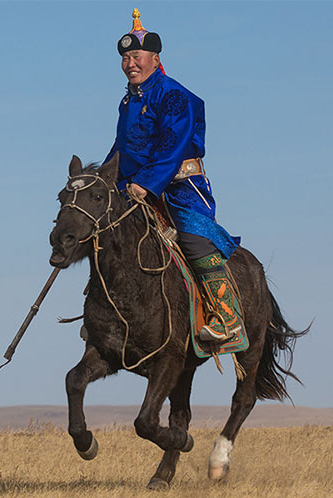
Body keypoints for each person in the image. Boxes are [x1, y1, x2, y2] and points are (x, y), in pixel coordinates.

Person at [104, 9, 243, 343]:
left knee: (193, 240)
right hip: (134, 189)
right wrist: (103, 181)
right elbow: (120, 149)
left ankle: (227, 317)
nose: (130, 63)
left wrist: (145, 184)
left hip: (181, 189)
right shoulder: (129, 102)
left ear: (154, 58)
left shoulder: (175, 95)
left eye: (136, 56)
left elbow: (173, 146)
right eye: (125, 58)